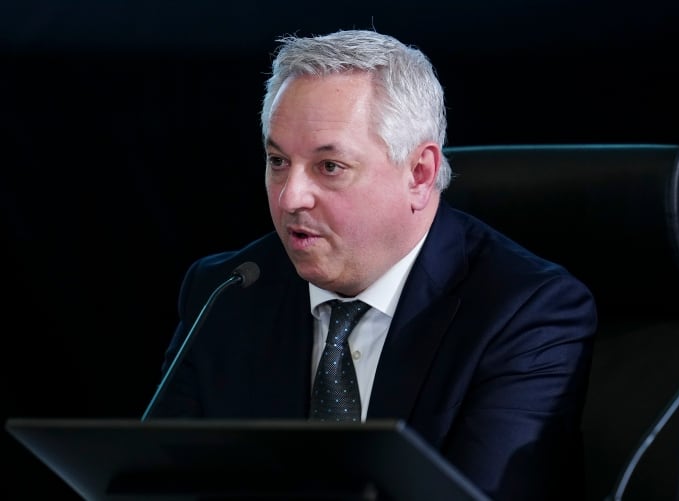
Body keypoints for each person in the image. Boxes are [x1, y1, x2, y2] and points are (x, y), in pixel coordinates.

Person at [149, 29, 598, 501]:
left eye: (329, 167)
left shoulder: (525, 312)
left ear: (419, 173)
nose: (289, 197)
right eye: (278, 160)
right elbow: (151, 482)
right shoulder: (226, 293)